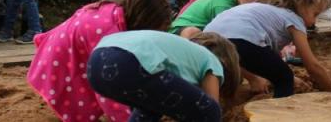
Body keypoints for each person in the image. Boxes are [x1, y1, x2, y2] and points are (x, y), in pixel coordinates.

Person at [27, 0, 172, 122]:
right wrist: (126, 118)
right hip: (59, 66)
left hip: (56, 53)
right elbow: (108, 89)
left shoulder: (114, 11)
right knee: (79, 101)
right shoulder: (107, 32)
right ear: (143, 22)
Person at [204, 0, 331, 98]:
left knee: (226, 83)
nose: (314, 21)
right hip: (241, 39)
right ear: (302, 4)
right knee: (284, 78)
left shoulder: (267, 11)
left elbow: (268, 61)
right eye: (315, 14)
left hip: (209, 39)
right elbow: (313, 67)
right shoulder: (295, 20)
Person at [87, 30, 241, 122]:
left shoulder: (183, 54)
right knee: (210, 111)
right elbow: (210, 106)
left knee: (149, 110)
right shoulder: (213, 62)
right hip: (129, 61)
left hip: (96, 63)